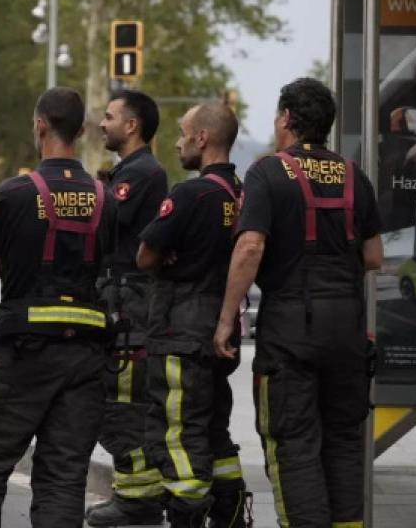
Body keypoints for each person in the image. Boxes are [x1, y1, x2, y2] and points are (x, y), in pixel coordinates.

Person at [213, 78, 383, 528]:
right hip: (347, 327)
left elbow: (249, 247)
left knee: (294, 442)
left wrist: (227, 319)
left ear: (287, 119)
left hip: (291, 329)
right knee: (345, 440)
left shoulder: (268, 173)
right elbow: (373, 256)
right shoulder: (354, 175)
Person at [0, 87, 117, 528]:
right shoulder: (105, 199)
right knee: (63, 478)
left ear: (40, 126)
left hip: (23, 351)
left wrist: (23, 270)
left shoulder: (16, 193)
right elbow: (106, 264)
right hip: (86, 357)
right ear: (80, 131)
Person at [134, 101, 249, 528]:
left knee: (177, 431)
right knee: (213, 429)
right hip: (222, 328)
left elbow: (146, 256)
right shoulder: (242, 193)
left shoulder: (190, 193)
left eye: (184, 133)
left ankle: (187, 514)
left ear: (203, 138)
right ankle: (232, 513)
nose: (179, 141)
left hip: (181, 330)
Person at [85, 89, 170, 527]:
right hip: (121, 301)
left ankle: (138, 501)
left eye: (109, 116)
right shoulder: (130, 170)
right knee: (115, 402)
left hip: (130, 307)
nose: (102, 123)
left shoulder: (142, 173)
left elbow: (103, 223)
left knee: (123, 404)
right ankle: (136, 494)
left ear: (131, 125)